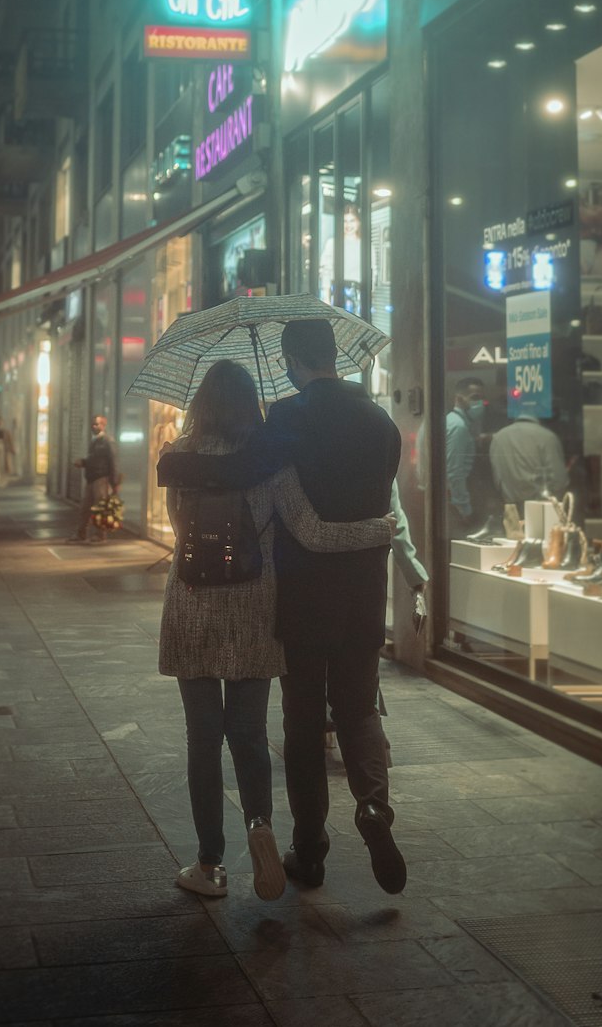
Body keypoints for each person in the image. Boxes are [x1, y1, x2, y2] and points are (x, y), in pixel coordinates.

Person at [159, 317, 405, 895]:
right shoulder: (376, 425)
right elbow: (332, 518)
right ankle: (322, 819)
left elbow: (202, 508)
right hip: (316, 603)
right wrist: (382, 531)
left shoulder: (248, 435)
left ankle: (257, 857)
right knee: (316, 720)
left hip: (247, 605)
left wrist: (175, 462)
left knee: (250, 732)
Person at [489, 414, 569, 510]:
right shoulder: (547, 437)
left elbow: (497, 480)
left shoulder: (498, 437)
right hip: (541, 509)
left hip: (509, 508)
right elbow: (559, 481)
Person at [445, 376, 486, 530]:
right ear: (459, 399)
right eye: (475, 397)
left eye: (482, 398)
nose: (480, 403)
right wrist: (464, 509)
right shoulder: (458, 426)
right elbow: (455, 471)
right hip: (456, 504)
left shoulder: (453, 421)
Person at [72, 415, 120, 542]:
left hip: (101, 479)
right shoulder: (94, 441)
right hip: (91, 478)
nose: (94, 426)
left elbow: (113, 461)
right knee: (85, 507)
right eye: (93, 424)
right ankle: (81, 533)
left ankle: (100, 534)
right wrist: (83, 462)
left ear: (103, 425)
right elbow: (94, 460)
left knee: (100, 508)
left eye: (97, 424)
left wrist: (114, 482)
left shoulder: (107, 441)